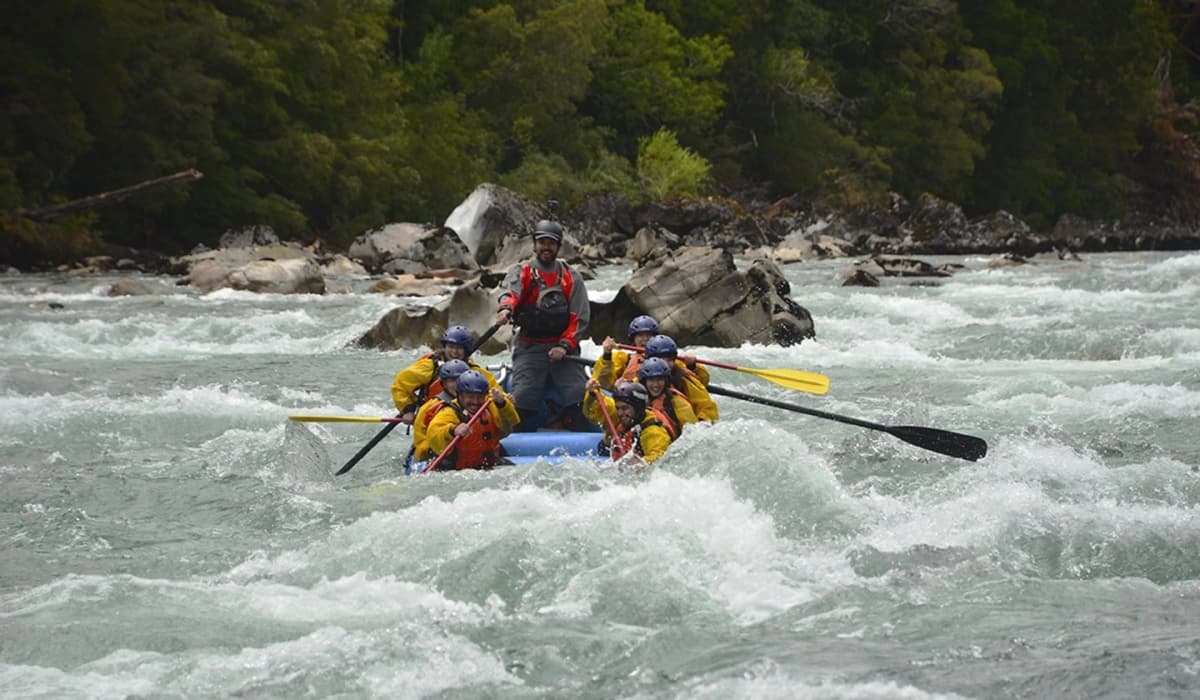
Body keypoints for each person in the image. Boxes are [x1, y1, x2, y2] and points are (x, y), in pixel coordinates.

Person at [494, 219, 593, 431]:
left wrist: (564, 346)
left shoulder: (571, 277)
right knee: (522, 401)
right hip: (530, 346)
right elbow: (510, 293)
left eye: (551, 243)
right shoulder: (522, 271)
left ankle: (573, 424)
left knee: (578, 398)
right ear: (534, 244)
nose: (546, 247)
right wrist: (505, 309)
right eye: (542, 242)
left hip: (564, 349)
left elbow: (579, 318)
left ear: (558, 247)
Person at [390, 325, 498, 424]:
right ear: (444, 347)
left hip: (464, 421)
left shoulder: (474, 371)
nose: (455, 352)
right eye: (451, 346)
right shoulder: (430, 366)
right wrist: (408, 409)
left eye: (459, 348)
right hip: (431, 418)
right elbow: (401, 384)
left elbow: (495, 392)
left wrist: (503, 401)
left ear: (466, 350)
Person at [425, 370, 520, 470]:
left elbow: (508, 427)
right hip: (456, 470)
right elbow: (434, 434)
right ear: (460, 395)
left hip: (487, 464)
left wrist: (502, 405)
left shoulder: (490, 406)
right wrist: (452, 430)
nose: (475, 402)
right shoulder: (449, 412)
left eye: (479, 397)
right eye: (470, 397)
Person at [582, 378, 671, 464]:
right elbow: (596, 409)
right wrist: (592, 395)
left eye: (625, 408)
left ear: (638, 408)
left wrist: (641, 463)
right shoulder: (623, 417)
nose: (620, 413)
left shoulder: (654, 432)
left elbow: (659, 459)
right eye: (618, 408)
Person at [644, 334, 719, 422]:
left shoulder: (684, 379)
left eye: (669, 360)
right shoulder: (640, 378)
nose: (666, 364)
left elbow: (706, 407)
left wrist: (702, 424)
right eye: (661, 360)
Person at [411, 359, 470, 460]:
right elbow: (421, 439)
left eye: (460, 380)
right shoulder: (429, 407)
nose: (457, 385)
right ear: (444, 384)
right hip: (440, 454)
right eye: (452, 381)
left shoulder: (476, 400)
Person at [636, 356, 697, 439]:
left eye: (659, 379)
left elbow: (693, 433)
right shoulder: (636, 397)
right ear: (644, 382)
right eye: (651, 380)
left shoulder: (678, 403)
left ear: (666, 381)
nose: (655, 385)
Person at [592, 315, 658, 390]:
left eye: (649, 335)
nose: (645, 339)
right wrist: (607, 355)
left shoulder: (665, 358)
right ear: (634, 338)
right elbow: (604, 383)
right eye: (640, 335)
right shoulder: (624, 358)